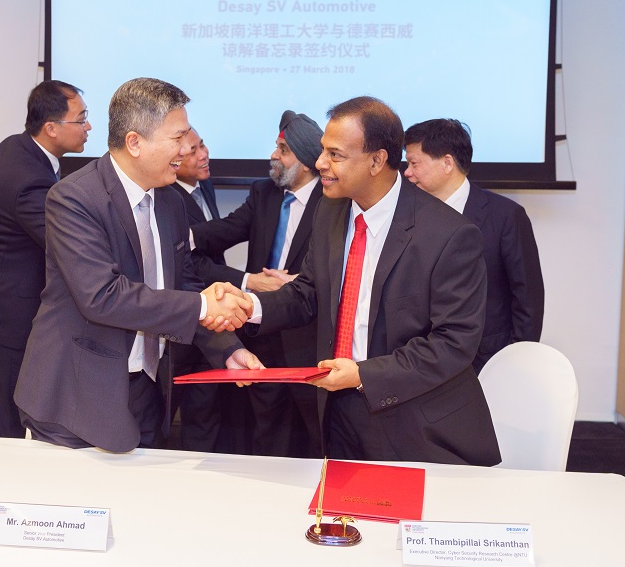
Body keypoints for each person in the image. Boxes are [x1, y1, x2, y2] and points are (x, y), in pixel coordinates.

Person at [241, 96, 501, 465]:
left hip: (414, 421)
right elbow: (309, 292)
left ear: (377, 161)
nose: (320, 163)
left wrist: (363, 374)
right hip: (336, 411)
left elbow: (453, 343)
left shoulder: (449, 234)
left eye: (335, 154)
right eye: (323, 151)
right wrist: (249, 306)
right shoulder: (330, 210)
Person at [14, 77, 261, 453]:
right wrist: (205, 305)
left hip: (147, 391)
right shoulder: (73, 199)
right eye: (177, 138)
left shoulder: (171, 201)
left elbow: (184, 284)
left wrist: (227, 348)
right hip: (76, 396)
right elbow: (102, 297)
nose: (185, 150)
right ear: (134, 142)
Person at [0, 80, 91, 438]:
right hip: (2, 315)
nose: (88, 126)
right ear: (51, 128)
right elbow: (64, 244)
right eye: (81, 119)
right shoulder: (29, 178)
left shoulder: (16, 147)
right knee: (5, 421)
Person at [190, 110, 324, 457]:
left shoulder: (335, 201)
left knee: (314, 434)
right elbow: (225, 230)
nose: (273, 156)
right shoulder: (264, 193)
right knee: (267, 434)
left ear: (306, 160)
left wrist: (299, 282)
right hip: (261, 333)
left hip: (309, 337)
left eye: (283, 150)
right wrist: (177, 235)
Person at [403, 118, 544, 372]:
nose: (407, 172)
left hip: (487, 362)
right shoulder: (407, 217)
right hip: (421, 361)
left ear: (447, 163)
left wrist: (514, 364)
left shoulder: (505, 216)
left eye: (414, 163)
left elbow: (528, 300)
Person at [167, 128, 228, 451]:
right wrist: (247, 281)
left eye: (202, 145)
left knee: (205, 413)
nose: (203, 155)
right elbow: (190, 264)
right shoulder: (169, 197)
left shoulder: (204, 186)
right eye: (193, 151)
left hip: (211, 323)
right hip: (184, 322)